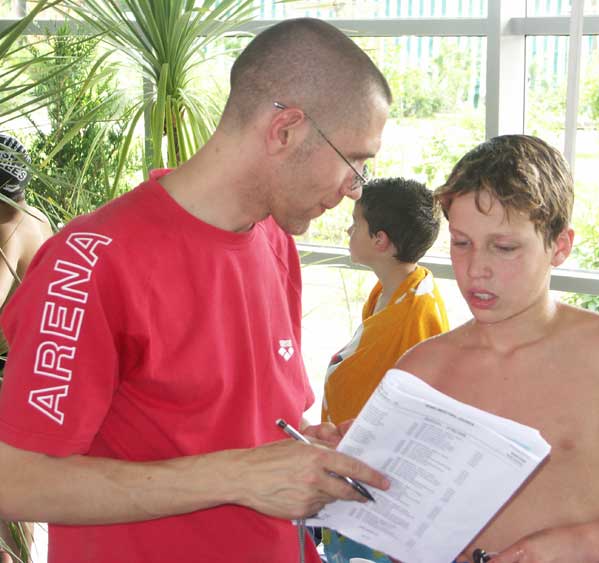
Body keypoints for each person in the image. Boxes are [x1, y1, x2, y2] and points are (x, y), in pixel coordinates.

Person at [0, 18, 393, 563]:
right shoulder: (91, 263)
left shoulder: (274, 240)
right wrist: (237, 476)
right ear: (286, 130)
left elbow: (245, 426)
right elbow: (15, 481)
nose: (354, 190)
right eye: (355, 162)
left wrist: (308, 450)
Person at [393, 135, 599, 563]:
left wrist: (577, 545)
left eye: (504, 247)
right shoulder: (422, 368)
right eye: (461, 242)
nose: (476, 269)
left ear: (560, 246)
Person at [320, 177, 450, 562]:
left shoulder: (420, 311)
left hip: (383, 482)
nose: (348, 231)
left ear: (380, 240)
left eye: (355, 224)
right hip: (353, 462)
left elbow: (426, 406)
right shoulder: (387, 293)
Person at [0, 133, 52, 563]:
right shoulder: (38, 218)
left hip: (6, 375)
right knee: (20, 506)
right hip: (33, 373)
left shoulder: (7, 231)